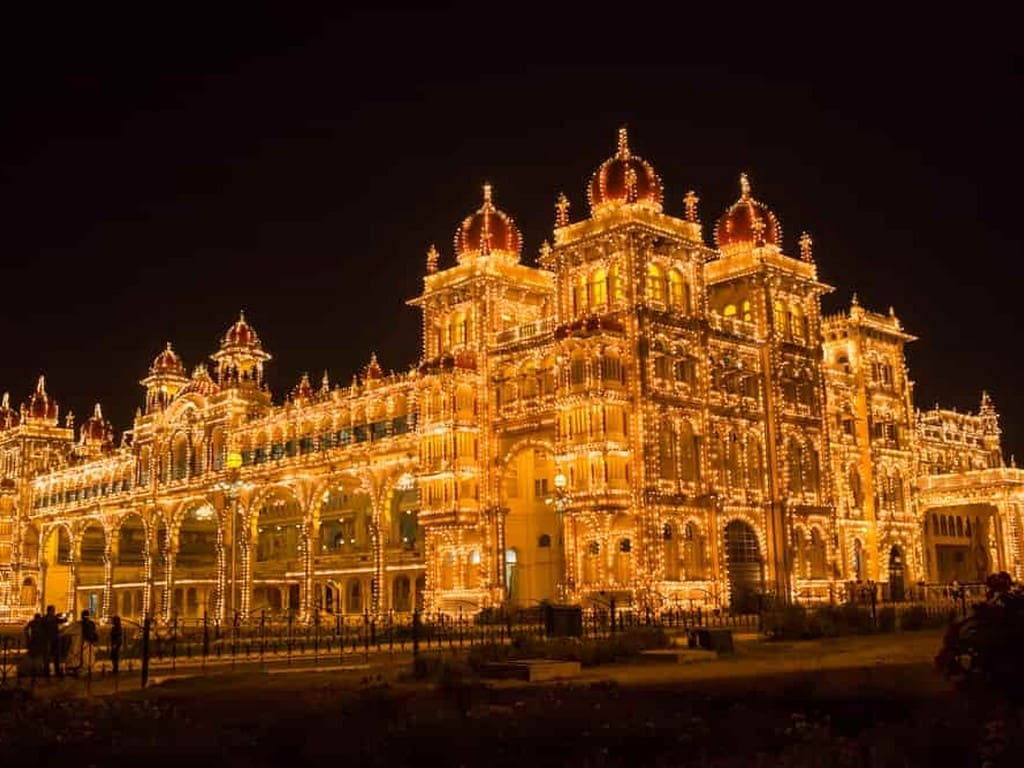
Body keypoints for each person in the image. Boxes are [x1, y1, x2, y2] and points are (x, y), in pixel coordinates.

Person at [41, 605, 66, 677]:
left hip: (48, 639)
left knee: (47, 656)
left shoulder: (44, 619)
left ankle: (46, 672)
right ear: (50, 611)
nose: (54, 611)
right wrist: (63, 616)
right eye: (53, 610)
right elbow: (64, 620)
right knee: (55, 656)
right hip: (53, 639)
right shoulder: (54, 618)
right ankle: (57, 671)